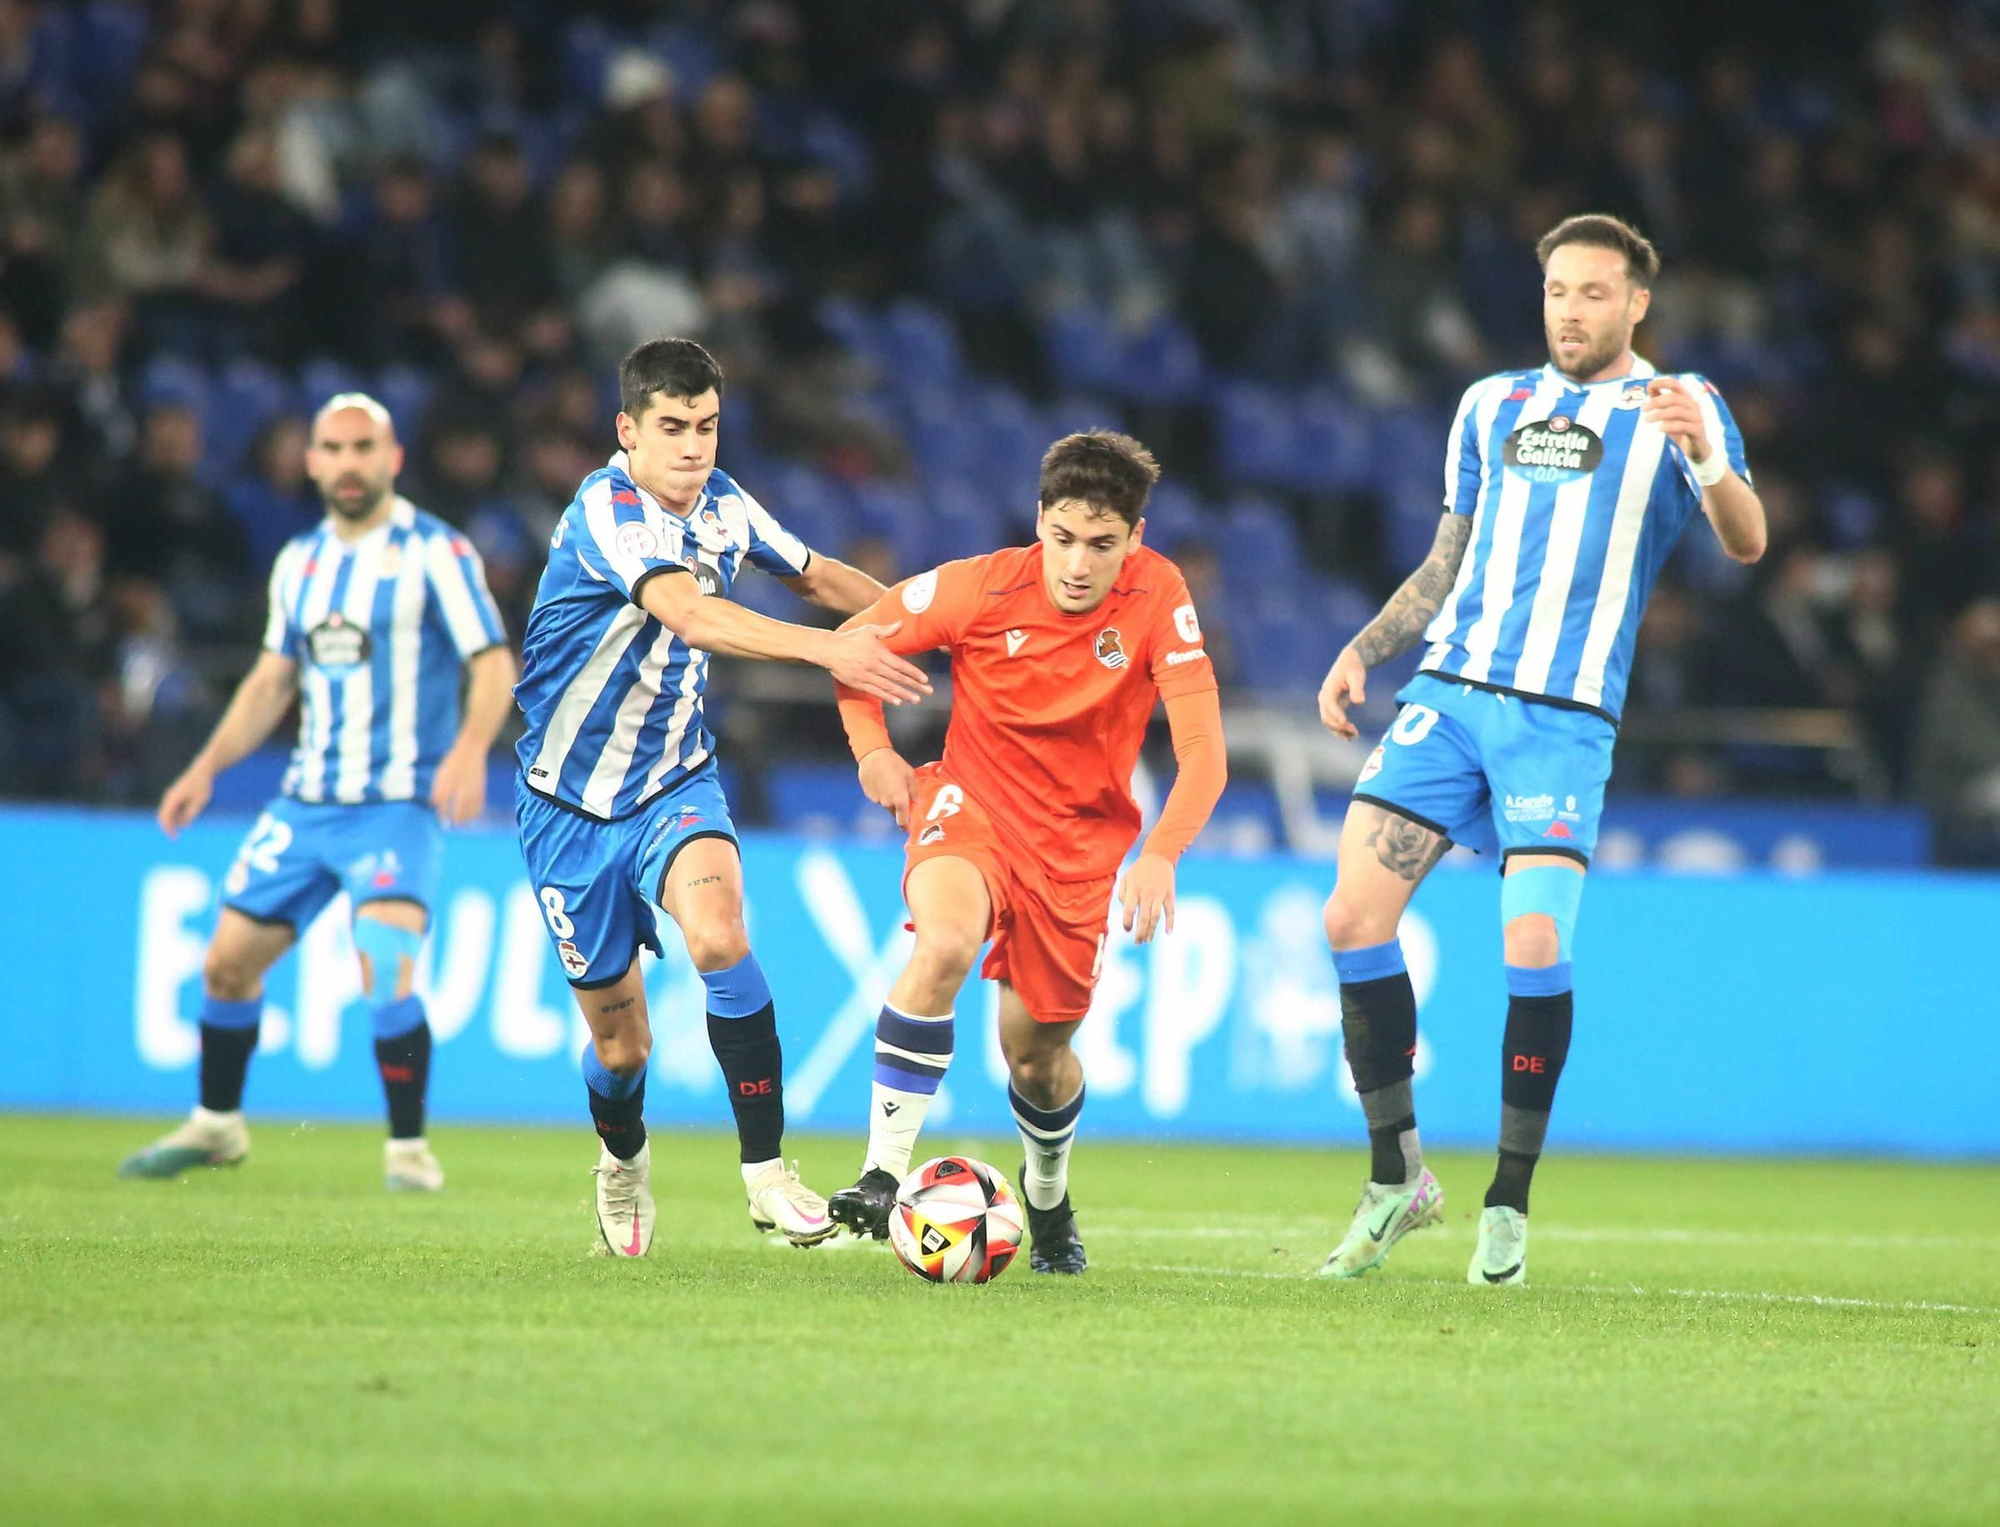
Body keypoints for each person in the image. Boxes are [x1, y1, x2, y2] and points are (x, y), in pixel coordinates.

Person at [1315, 214, 1767, 1286]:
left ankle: (1506, 1203)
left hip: (1561, 721)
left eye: (1593, 293)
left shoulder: (1679, 405)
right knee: (1348, 916)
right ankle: (1396, 1180)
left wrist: (1704, 456)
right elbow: (1445, 557)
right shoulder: (1490, 404)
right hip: (1450, 696)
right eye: (1557, 290)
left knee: (1529, 948)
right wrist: (1362, 648)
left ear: (1636, 304)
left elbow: (1746, 542)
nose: (1571, 310)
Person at [512, 337, 929, 1258]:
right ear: (628, 430)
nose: (693, 445)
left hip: (673, 782)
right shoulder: (607, 509)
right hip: (567, 809)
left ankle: (768, 1175)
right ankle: (622, 1162)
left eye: (705, 425)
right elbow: (691, 613)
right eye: (672, 427)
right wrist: (829, 650)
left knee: (719, 935)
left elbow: (818, 575)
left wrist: (934, 621)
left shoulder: (725, 504)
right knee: (622, 1052)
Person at [823, 430, 1228, 1274]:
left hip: (1079, 845)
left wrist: (1161, 852)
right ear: (1039, 521)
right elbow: (851, 647)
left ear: (1136, 540)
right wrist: (873, 752)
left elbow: (1205, 752)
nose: (1078, 564)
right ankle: (880, 1175)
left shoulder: (1159, 597)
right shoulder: (978, 585)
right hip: (970, 805)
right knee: (942, 942)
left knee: (1037, 1059)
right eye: (1063, 537)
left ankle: (1046, 1198)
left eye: (1102, 544)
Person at [120, 394, 518, 1191]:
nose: (347, 462)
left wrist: (472, 748)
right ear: (310, 461)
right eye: (332, 448)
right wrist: (204, 768)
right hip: (305, 804)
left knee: (383, 962)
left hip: (397, 801)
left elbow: (492, 661)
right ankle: (217, 1124)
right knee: (227, 965)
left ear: (392, 457)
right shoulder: (300, 560)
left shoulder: (436, 550)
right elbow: (273, 680)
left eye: (362, 447)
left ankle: (407, 1147)